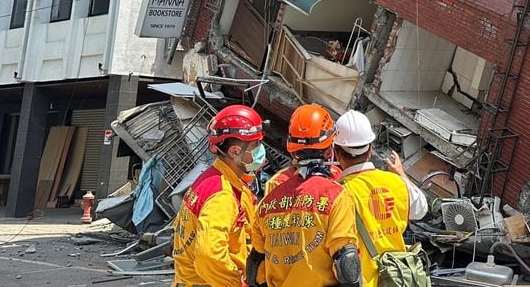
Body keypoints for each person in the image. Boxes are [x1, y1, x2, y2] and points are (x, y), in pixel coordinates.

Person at [252, 104, 361, 287]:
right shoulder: (335, 195)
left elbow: (256, 264)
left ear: (292, 149)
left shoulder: (268, 202)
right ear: (329, 149)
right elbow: (346, 261)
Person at [172, 104, 268, 287]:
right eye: (255, 144)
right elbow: (209, 255)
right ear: (234, 152)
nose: (260, 150)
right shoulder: (222, 194)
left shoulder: (211, 180)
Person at [333, 110, 428, 287]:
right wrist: (401, 174)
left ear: (336, 153)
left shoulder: (338, 194)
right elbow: (421, 209)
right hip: (397, 279)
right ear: (370, 149)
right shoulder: (397, 183)